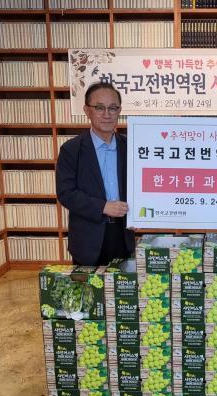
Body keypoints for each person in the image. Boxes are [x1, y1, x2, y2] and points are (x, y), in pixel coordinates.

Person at [56, 82, 135, 266]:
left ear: (119, 110)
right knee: (88, 286)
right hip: (87, 238)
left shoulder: (131, 147)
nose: (107, 114)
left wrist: (141, 215)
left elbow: (141, 186)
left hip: (123, 234)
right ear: (87, 110)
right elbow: (66, 193)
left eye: (113, 108)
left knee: (122, 283)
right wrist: (102, 206)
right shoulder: (71, 150)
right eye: (99, 108)